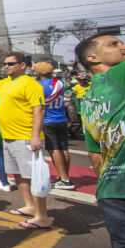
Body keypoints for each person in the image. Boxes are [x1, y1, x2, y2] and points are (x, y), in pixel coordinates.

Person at [0, 52, 49, 230]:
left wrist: (35, 135)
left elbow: (39, 110)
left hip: (25, 137)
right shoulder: (6, 83)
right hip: (8, 137)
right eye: (5, 64)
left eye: (11, 64)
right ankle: (29, 206)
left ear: (22, 65)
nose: (6, 67)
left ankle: (42, 216)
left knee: (33, 176)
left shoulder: (30, 84)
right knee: (18, 174)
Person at [75, 33, 125, 248]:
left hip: (112, 193)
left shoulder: (88, 99)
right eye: (114, 44)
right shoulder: (124, 73)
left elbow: (95, 156)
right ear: (92, 58)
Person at [34, 61, 74, 190]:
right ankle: (65, 177)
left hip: (47, 120)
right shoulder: (60, 84)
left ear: (39, 72)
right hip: (61, 119)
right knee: (64, 149)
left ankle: (64, 179)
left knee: (54, 149)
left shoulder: (38, 86)